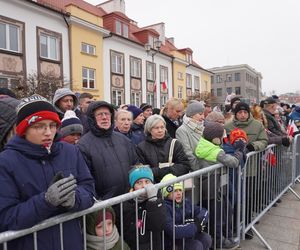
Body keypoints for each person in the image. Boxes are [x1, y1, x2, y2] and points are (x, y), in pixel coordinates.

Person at [0, 94, 95, 250]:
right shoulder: (6, 161)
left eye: (52, 125)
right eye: (39, 126)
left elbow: (89, 188)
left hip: (70, 242)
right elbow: (5, 217)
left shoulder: (70, 152)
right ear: (23, 129)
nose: (48, 132)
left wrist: (74, 199)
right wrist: (45, 201)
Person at [78, 101, 138, 200]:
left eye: (107, 114)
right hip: (105, 206)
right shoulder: (84, 145)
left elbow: (136, 165)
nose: (104, 117)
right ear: (92, 118)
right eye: (99, 114)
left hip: (130, 200)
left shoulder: (123, 139)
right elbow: (85, 180)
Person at [195, 122, 240, 249]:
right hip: (215, 188)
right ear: (216, 139)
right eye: (221, 136)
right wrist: (239, 152)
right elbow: (234, 162)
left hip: (210, 186)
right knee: (218, 217)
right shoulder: (216, 152)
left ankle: (223, 238)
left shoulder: (203, 144)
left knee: (221, 213)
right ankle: (220, 241)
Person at [161, 174, 212, 250]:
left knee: (206, 238)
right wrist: (195, 227)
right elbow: (173, 231)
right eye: (175, 191)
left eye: (180, 190)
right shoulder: (164, 207)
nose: (179, 193)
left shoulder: (185, 202)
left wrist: (199, 221)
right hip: (172, 242)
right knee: (196, 246)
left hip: (186, 236)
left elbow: (204, 211)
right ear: (167, 193)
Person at [136, 114, 190, 183]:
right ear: (149, 129)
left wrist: (164, 171)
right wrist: (158, 171)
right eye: (156, 128)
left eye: (162, 127)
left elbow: (185, 166)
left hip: (173, 186)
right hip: (153, 186)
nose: (160, 130)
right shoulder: (141, 147)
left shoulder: (175, 143)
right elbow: (142, 171)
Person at [122, 165, 165, 250]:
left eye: (147, 181)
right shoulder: (127, 201)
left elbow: (159, 225)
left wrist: (153, 200)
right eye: (139, 182)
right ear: (133, 186)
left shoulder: (157, 199)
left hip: (153, 245)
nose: (144, 186)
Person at [175, 100, 205, 204]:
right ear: (192, 115)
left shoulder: (201, 128)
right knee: (193, 203)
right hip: (194, 172)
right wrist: (199, 170)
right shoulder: (182, 130)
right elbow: (187, 153)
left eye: (203, 114)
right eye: (200, 114)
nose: (203, 117)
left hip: (204, 172)